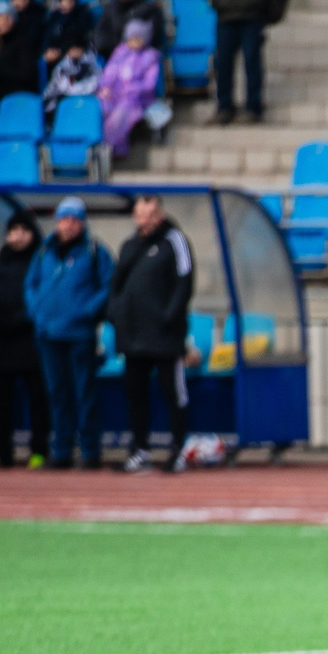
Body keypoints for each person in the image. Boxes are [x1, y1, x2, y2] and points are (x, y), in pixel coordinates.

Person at [107, 191, 195, 472]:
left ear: (161, 215)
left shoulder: (175, 241)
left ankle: (178, 448)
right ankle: (140, 450)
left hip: (165, 337)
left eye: (150, 215)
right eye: (140, 215)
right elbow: (116, 285)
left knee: (173, 392)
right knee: (135, 393)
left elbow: (184, 282)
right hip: (133, 337)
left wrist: (170, 318)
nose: (145, 221)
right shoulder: (130, 245)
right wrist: (117, 315)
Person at [24, 195, 113, 470]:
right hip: (48, 334)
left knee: (85, 393)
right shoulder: (43, 251)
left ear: (83, 223)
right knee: (57, 393)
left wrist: (87, 311)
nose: (69, 224)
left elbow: (108, 286)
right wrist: (37, 312)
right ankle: (61, 450)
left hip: (80, 334)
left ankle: (90, 451)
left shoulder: (96, 251)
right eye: (64, 219)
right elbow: (31, 285)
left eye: (74, 219)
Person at [0, 212, 50, 470]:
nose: (18, 236)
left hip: (31, 342)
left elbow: (43, 298)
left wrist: (23, 319)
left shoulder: (41, 263)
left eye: (23, 231)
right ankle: (1, 451)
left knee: (38, 401)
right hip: (0, 344)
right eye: (13, 231)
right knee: (0, 402)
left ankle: (39, 451)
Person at [97, 17, 160, 153]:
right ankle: (94, 145)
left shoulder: (150, 57)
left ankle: (109, 148)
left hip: (137, 98)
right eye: (131, 39)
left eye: (138, 39)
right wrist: (106, 87)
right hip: (115, 94)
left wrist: (131, 89)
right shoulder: (120, 52)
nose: (134, 42)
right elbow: (110, 72)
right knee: (100, 107)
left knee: (120, 115)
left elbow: (150, 84)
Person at [91, 0, 172, 60]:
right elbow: (101, 32)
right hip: (114, 56)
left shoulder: (151, 8)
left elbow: (156, 35)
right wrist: (113, 50)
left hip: (142, 55)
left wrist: (138, 45)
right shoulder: (111, 7)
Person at [39, 0, 96, 82]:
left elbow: (78, 37)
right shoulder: (54, 17)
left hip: (75, 55)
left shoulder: (82, 15)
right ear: (60, 1)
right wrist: (46, 50)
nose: (69, 1)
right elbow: (47, 37)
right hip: (56, 55)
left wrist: (61, 51)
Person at [44, 42, 102, 118]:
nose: (75, 52)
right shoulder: (61, 67)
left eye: (77, 49)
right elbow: (53, 90)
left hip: (86, 106)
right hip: (62, 107)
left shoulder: (94, 67)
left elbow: (93, 86)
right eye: (72, 49)